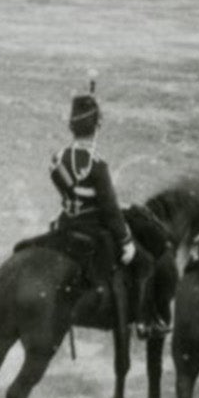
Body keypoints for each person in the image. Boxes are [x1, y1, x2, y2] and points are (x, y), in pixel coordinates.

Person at [50, 81, 139, 348]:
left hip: (65, 222)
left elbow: (67, 192)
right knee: (138, 263)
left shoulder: (58, 159)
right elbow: (110, 210)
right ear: (96, 127)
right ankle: (136, 319)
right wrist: (126, 241)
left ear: (71, 126)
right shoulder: (96, 165)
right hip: (92, 228)